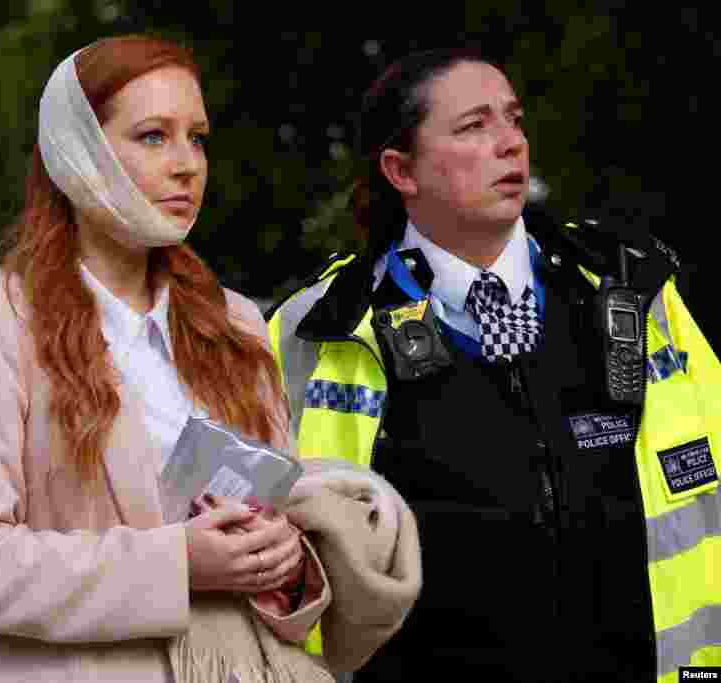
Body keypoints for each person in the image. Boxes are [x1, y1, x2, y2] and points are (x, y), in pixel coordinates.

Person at [0, 35, 418, 683]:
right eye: (153, 136)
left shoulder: (235, 321)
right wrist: (179, 564)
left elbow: (274, 537)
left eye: (197, 138)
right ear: (78, 152)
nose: (187, 165)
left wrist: (287, 558)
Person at [267, 47, 720, 682]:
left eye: (513, 119)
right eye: (474, 126)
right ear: (401, 170)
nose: (510, 144)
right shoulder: (317, 328)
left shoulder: (632, 290)